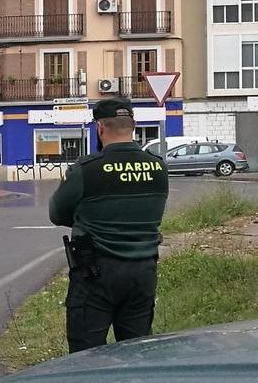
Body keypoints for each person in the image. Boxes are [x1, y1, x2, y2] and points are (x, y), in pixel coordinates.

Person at [48, 98, 170, 351]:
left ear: (100, 128)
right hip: (143, 271)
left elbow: (57, 214)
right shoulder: (158, 167)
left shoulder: (85, 169)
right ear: (133, 126)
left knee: (86, 354)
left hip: (96, 272)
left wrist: (88, 218)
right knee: (137, 351)